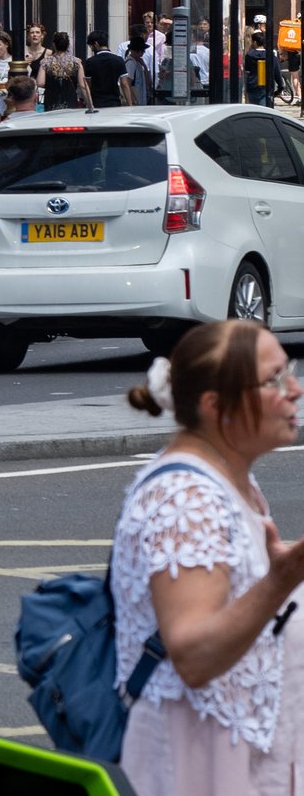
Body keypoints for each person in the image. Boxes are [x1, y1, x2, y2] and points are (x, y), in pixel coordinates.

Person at [113, 320, 304, 793]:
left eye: (291, 371)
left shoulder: (232, 480)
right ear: (215, 405)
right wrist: (282, 581)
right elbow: (193, 655)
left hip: (242, 750)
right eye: (273, 380)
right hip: (201, 761)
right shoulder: (184, 498)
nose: (295, 389)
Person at [40, 30, 93, 112]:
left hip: (51, 100)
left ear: (54, 44)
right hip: (70, 99)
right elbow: (83, 86)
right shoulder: (76, 62)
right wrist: (90, 104)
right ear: (68, 45)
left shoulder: (46, 62)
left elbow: (40, 82)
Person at [85, 36, 131, 109]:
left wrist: (89, 104)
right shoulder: (119, 60)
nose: (91, 49)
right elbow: (124, 84)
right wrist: (130, 105)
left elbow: (88, 85)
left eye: (91, 46)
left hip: (97, 103)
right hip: (114, 102)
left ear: (96, 44)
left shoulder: (90, 62)